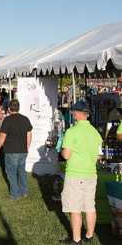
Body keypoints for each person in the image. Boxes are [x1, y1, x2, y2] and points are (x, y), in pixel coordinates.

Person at [59, 101, 102, 245]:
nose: (72, 114)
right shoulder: (95, 132)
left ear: (77, 114)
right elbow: (98, 156)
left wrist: (62, 150)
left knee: (75, 208)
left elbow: (66, 155)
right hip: (91, 173)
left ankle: (76, 240)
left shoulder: (72, 131)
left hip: (75, 174)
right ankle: (89, 236)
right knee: (90, 206)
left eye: (73, 112)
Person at [0, 100, 33, 199]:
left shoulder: (7, 120)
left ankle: (15, 194)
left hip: (11, 151)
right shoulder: (25, 119)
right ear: (18, 108)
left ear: (9, 109)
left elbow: (2, 136)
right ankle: (24, 191)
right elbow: (29, 134)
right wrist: (27, 146)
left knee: (11, 173)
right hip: (23, 150)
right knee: (21, 171)